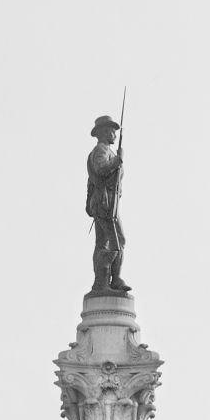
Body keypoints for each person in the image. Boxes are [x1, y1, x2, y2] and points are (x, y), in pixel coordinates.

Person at [85, 114, 128, 295]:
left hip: (110, 203)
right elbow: (101, 170)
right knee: (113, 241)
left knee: (108, 241)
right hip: (104, 203)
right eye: (111, 131)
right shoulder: (101, 151)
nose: (114, 134)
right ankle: (105, 281)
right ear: (103, 133)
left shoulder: (107, 151)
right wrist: (117, 160)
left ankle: (112, 279)